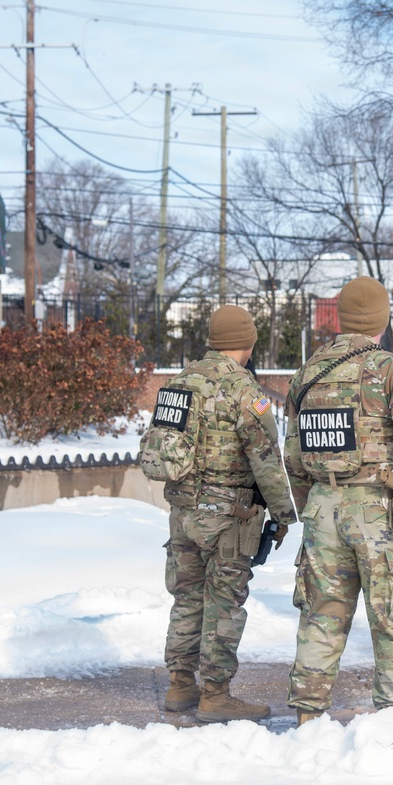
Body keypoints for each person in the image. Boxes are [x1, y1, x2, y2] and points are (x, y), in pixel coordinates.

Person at [284, 276, 393, 726]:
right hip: (376, 509)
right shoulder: (391, 369)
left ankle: (308, 713)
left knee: (321, 612)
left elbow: (293, 452)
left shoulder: (308, 373)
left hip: (322, 506)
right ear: (383, 319)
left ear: (341, 317)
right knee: (391, 612)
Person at [139, 305, 297, 723]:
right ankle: (215, 694)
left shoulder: (178, 383)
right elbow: (265, 458)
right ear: (247, 343)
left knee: (186, 598)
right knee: (225, 604)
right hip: (229, 514)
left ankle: (179, 685)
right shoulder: (244, 390)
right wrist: (283, 514)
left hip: (183, 511)